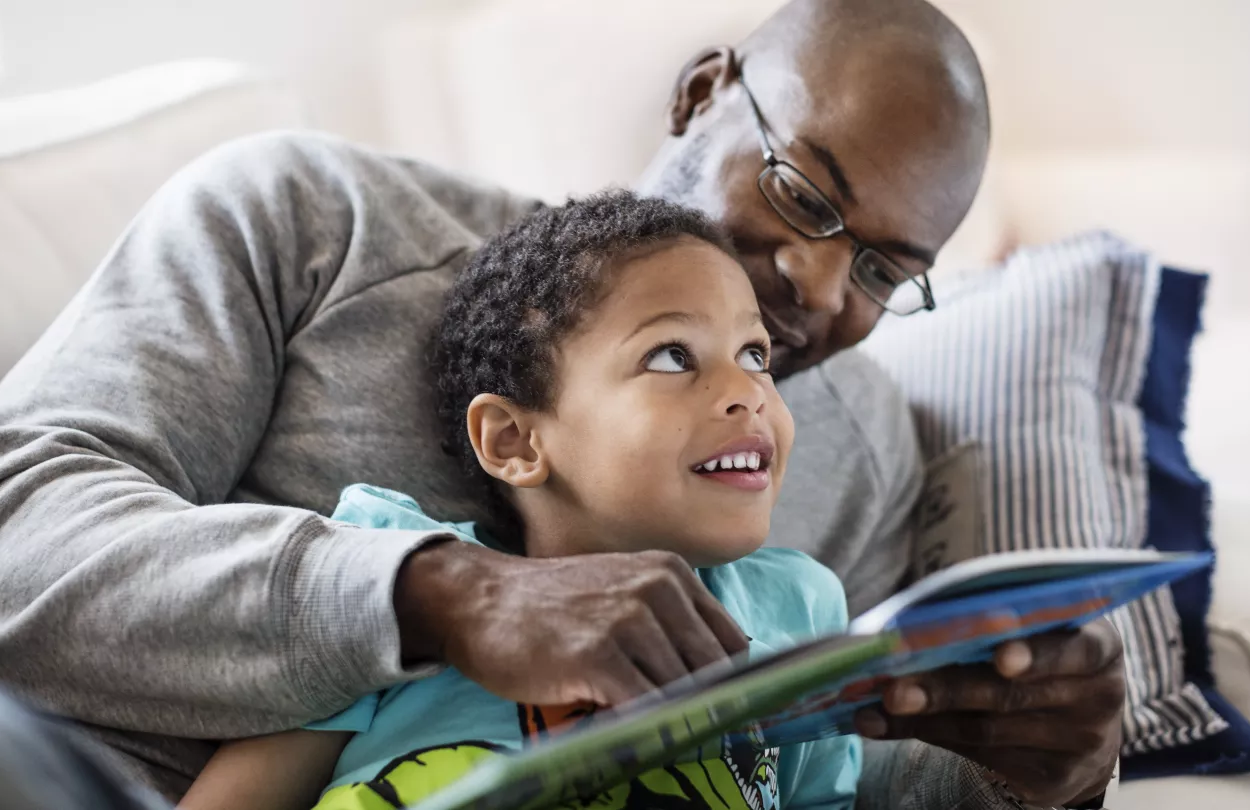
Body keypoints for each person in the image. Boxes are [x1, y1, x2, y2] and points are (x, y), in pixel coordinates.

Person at [0, 0, 1123, 807]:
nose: (815, 288)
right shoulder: (315, 215)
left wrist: (1049, 773)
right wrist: (442, 596)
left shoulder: (851, 447)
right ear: (704, 92)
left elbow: (819, 774)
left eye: (882, 272)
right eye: (806, 192)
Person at [181, 190, 861, 810]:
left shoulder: (800, 611)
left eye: (753, 354)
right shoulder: (391, 573)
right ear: (513, 441)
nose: (749, 391)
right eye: (671, 356)